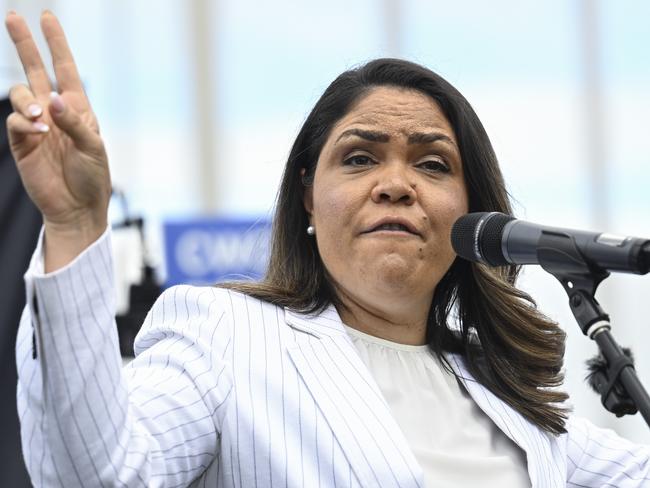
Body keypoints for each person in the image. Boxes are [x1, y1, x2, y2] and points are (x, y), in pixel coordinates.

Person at [6, 10, 650, 488]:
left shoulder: (518, 410)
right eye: (361, 157)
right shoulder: (223, 337)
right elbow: (97, 475)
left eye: (432, 163)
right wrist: (73, 225)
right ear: (309, 198)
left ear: (471, 210)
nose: (396, 185)